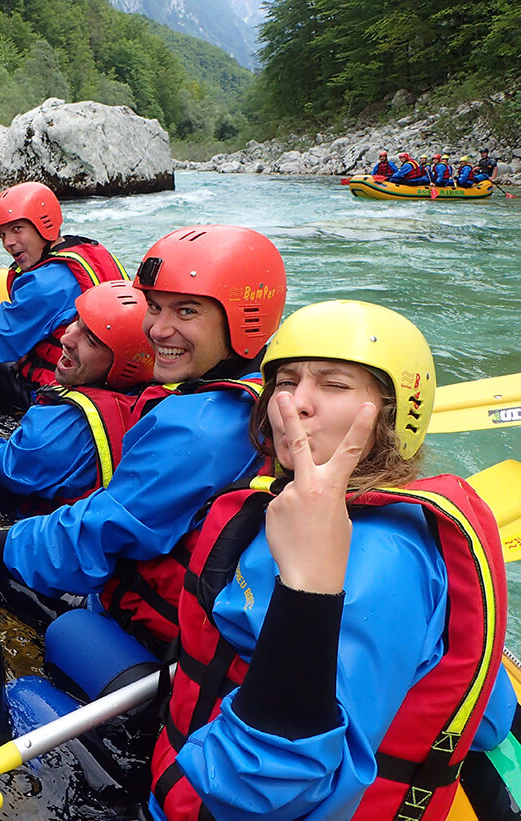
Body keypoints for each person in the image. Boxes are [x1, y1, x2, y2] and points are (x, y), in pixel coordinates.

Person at [147, 300, 513, 820]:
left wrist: (309, 589)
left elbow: (263, 793)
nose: (295, 403)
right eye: (286, 381)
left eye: (334, 385)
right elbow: (490, 721)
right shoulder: (315, 509)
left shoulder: (380, 561)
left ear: (394, 415)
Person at [0, 225, 286, 642]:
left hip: (164, 635)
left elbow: (96, 534)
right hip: (214, 600)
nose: (158, 330)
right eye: (155, 307)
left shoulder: (200, 427)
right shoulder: (273, 390)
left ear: (244, 320)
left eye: (186, 311)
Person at [0, 181, 128, 408]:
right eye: (2, 235)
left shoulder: (45, 284)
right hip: (106, 387)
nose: (8, 243)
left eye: (17, 229)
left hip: (57, 394)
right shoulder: (92, 253)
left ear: (45, 225)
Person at [0, 280, 155, 512]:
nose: (66, 338)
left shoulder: (58, 432)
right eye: (77, 322)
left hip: (28, 520)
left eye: (90, 340)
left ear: (124, 366)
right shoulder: (149, 398)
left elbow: (5, 470)